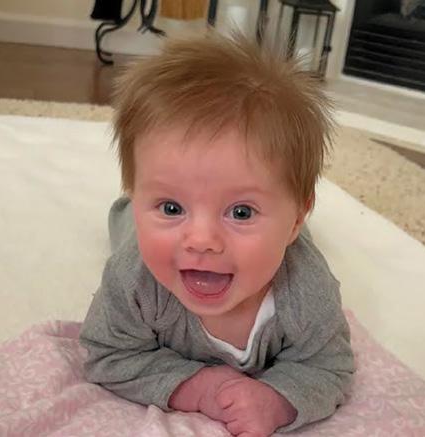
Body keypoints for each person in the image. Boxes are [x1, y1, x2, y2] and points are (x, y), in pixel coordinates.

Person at [79, 32, 355, 435]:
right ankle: (135, 208)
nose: (202, 240)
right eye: (171, 207)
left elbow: (329, 367)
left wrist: (278, 399)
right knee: (127, 228)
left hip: (285, 237)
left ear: (298, 217)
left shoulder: (307, 291)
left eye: (241, 212)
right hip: (141, 236)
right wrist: (198, 387)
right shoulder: (133, 280)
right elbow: (107, 354)